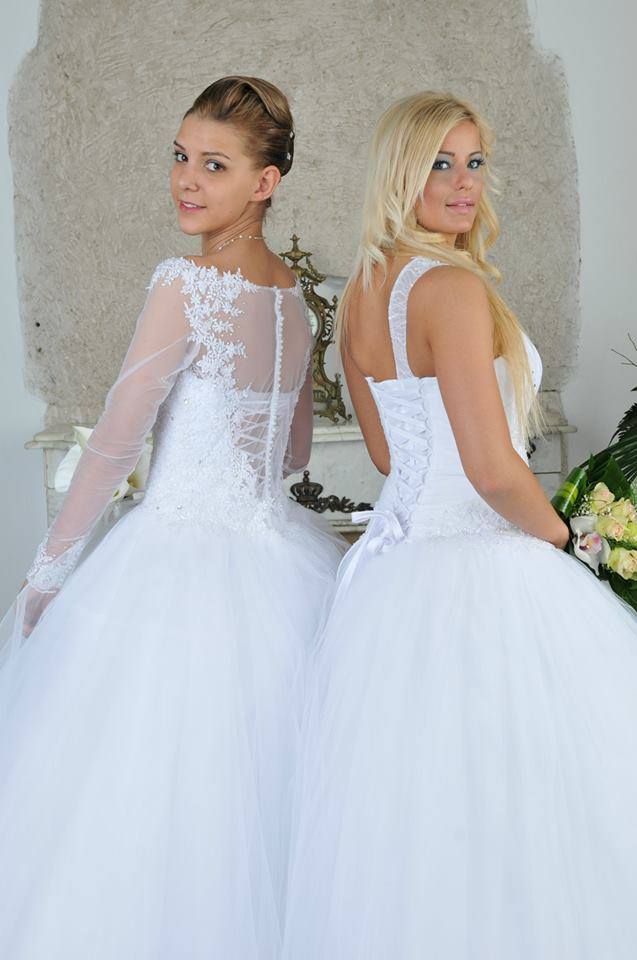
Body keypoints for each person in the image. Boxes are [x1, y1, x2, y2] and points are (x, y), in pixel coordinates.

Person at [283, 91, 637, 959]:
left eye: (473, 162)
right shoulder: (448, 287)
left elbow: (384, 453)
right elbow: (490, 470)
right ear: (398, 172)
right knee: (533, 796)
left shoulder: (360, 295)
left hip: (393, 576)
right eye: (439, 163)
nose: (462, 183)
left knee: (418, 810)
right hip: (484, 559)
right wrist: (571, 545)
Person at [0, 75, 344, 959]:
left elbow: (117, 442)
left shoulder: (186, 284)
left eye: (215, 165)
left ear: (265, 182)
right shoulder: (295, 301)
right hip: (282, 568)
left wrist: (47, 574)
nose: (187, 179)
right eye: (181, 156)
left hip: (174, 563)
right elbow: (293, 453)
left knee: (138, 802)